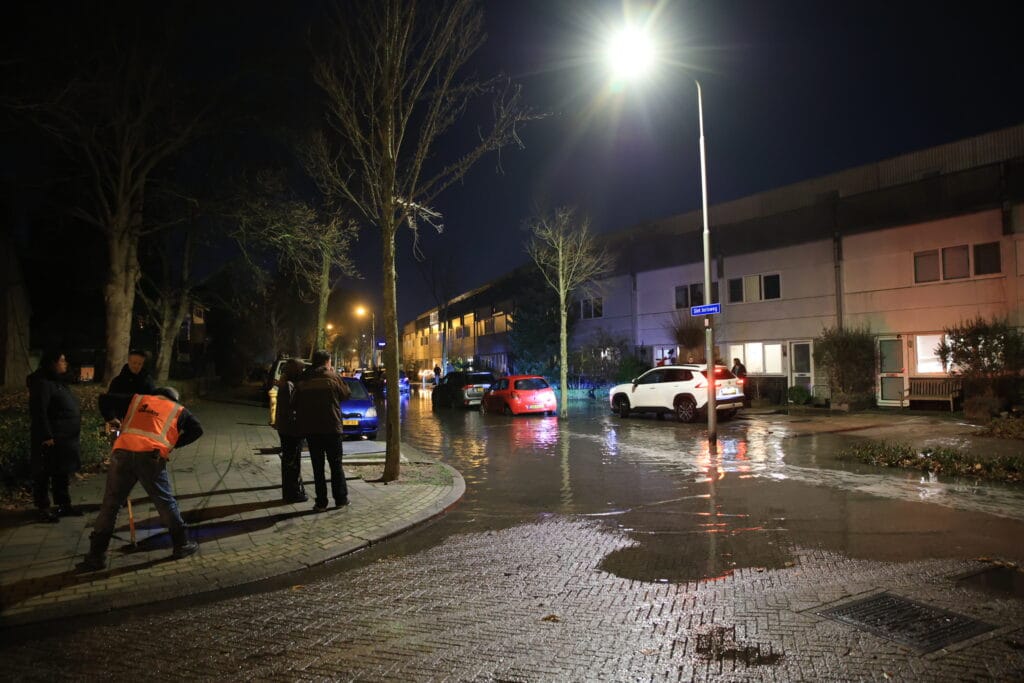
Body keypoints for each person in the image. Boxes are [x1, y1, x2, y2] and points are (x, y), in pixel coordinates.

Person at [78, 386, 203, 571]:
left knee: (111, 505)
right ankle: (181, 544)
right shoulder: (179, 410)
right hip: (151, 457)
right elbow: (197, 429)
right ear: (174, 399)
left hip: (122, 453)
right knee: (165, 502)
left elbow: (104, 399)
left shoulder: (138, 400)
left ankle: (96, 556)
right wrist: (172, 445)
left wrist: (111, 419)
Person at [292, 350, 351, 512]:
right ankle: (340, 499)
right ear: (327, 362)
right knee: (336, 465)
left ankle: (321, 502)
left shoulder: (304, 378)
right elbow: (346, 394)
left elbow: (294, 401)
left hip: (312, 429)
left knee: (317, 467)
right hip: (332, 428)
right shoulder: (333, 377)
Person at [27, 350, 82, 523]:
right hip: (51, 437)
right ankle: (43, 508)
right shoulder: (43, 383)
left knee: (61, 472)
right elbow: (39, 411)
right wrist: (46, 435)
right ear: (52, 363)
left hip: (64, 437)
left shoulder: (57, 381)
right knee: (44, 473)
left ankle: (63, 504)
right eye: (62, 361)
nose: (65, 364)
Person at [274, 358, 308, 503]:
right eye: (301, 369)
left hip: (286, 428)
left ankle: (291, 492)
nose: (303, 371)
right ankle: (293, 493)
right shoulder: (289, 385)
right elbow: (291, 407)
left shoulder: (285, 384)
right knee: (292, 462)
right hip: (291, 429)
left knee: (290, 461)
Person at [99, 349, 156, 431]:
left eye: (139, 364)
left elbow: (153, 402)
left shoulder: (148, 382)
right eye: (134, 363)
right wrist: (112, 418)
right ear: (129, 362)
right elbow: (110, 401)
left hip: (141, 421)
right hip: (120, 420)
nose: (136, 366)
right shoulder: (118, 381)